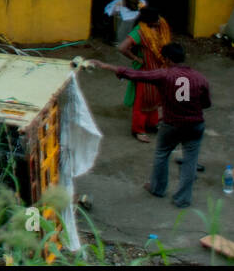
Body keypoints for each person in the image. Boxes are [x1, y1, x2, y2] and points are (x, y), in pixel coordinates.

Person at [85, 44, 212, 208]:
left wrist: (106, 65)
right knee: (190, 161)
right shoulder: (200, 78)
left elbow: (135, 74)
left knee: (162, 154)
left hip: (172, 124)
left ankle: (157, 188)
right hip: (195, 124)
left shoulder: (164, 74)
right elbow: (206, 104)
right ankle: (183, 199)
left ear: (167, 59)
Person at [117, 4, 171, 142]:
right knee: (142, 101)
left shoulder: (159, 26)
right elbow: (122, 48)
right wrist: (136, 58)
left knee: (155, 99)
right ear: (148, 20)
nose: (159, 21)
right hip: (145, 72)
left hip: (158, 70)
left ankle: (151, 124)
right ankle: (138, 130)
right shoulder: (140, 31)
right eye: (156, 19)